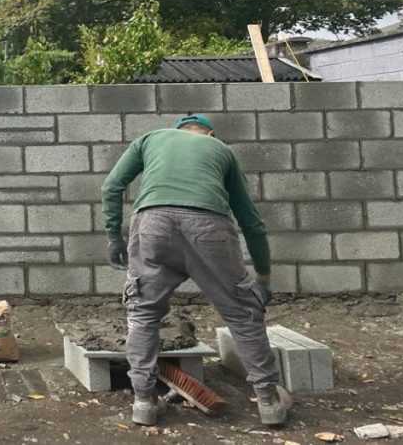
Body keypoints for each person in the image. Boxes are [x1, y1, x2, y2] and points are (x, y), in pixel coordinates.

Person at [101, 114, 292, 427]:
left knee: (143, 314)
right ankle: (269, 402)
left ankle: (144, 402)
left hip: (153, 225)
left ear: (175, 131)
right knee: (243, 314)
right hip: (209, 227)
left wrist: (114, 237)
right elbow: (252, 222)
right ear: (210, 134)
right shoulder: (221, 150)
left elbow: (111, 186)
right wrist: (263, 280)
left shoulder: (151, 138)